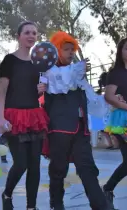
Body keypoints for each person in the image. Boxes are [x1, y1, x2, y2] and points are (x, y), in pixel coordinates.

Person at [43, 31, 114, 210]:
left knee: (88, 168)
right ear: (56, 51)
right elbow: (61, 80)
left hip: (80, 130)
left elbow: (86, 95)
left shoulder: (75, 74)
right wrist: (77, 70)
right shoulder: (49, 73)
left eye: (72, 50)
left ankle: (101, 206)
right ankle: (56, 205)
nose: (70, 53)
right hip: (59, 130)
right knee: (58, 170)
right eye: (66, 49)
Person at [0, 21, 49, 210]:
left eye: (34, 33)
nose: (31, 36)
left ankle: (31, 207)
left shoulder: (39, 63)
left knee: (35, 165)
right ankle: (7, 193)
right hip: (13, 117)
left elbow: (37, 94)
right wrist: (1, 119)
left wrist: (41, 90)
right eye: (27, 32)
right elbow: (2, 92)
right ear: (18, 36)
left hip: (34, 116)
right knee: (21, 163)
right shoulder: (9, 60)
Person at [102, 38, 127, 208]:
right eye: (126, 48)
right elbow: (109, 96)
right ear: (120, 51)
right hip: (122, 119)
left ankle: (108, 188)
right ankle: (108, 188)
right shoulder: (116, 72)